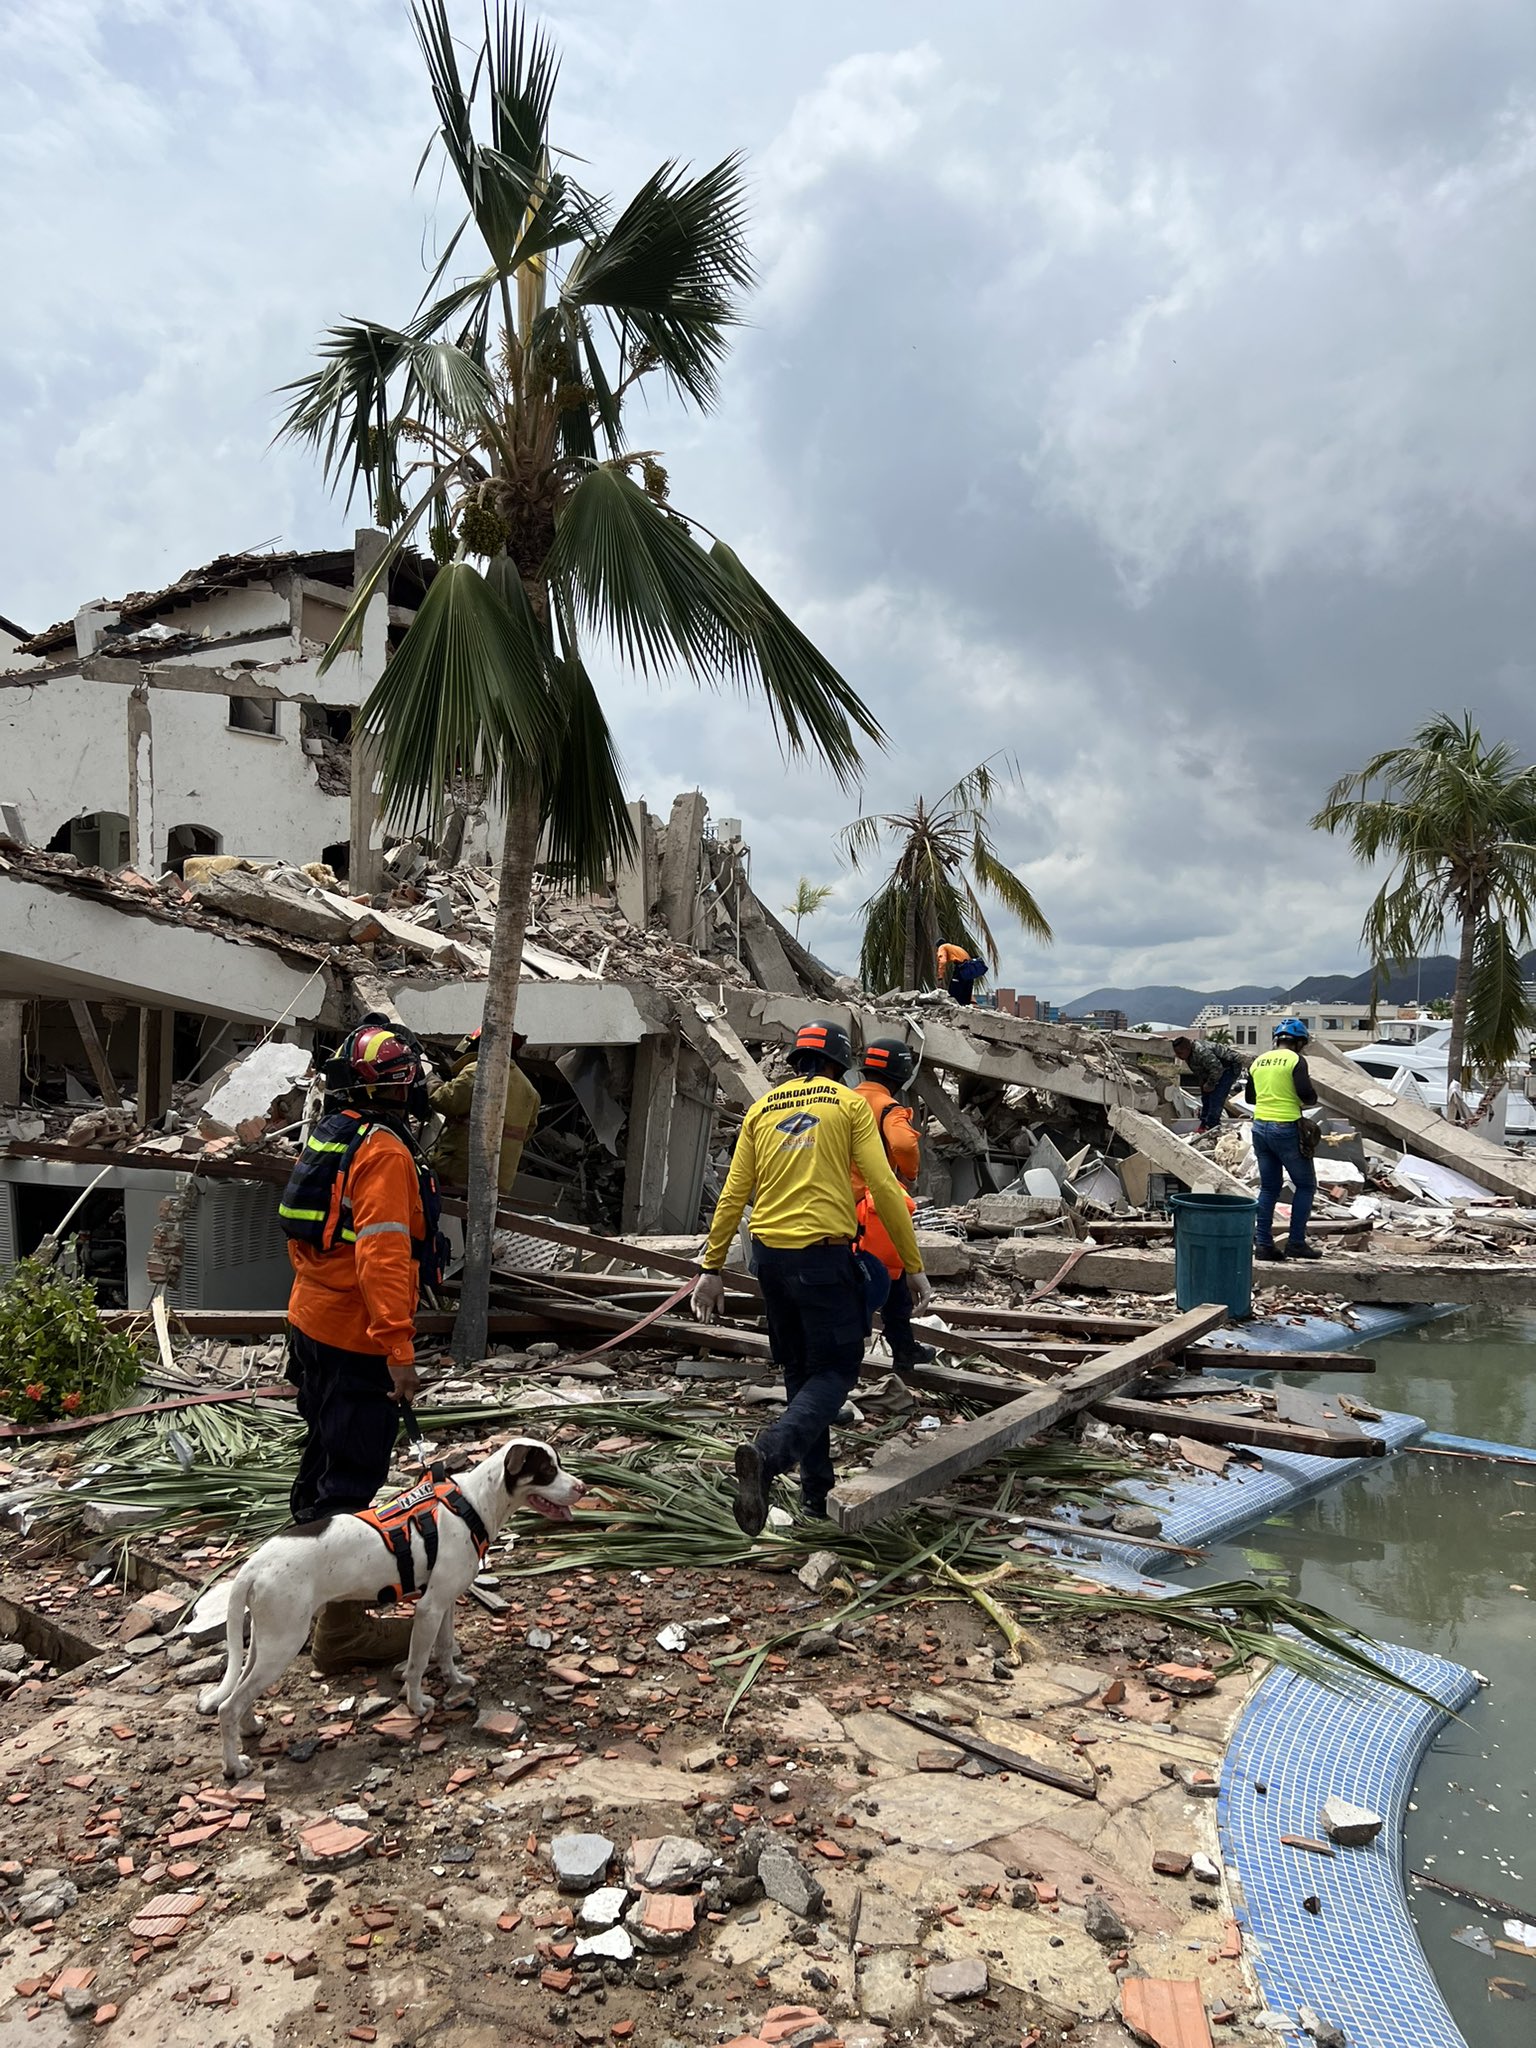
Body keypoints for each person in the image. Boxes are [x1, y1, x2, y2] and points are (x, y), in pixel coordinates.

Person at [690, 1019, 934, 1533]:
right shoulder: (847, 1106)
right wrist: (912, 1266)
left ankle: (816, 1495)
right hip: (822, 1260)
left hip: (769, 1262)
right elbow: (887, 1189)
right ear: (841, 1062)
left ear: (793, 1060)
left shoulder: (760, 1109)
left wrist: (710, 1269)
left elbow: (733, 1196)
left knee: (802, 1372)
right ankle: (769, 1453)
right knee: (838, 1372)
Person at [278, 1022, 446, 1669]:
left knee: (319, 1463)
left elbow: (311, 1241)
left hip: (311, 1324)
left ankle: (300, 1605)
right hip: (356, 1340)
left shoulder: (330, 1132)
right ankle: (339, 1634)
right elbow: (383, 1256)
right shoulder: (386, 1152)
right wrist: (398, 1352)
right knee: (349, 1480)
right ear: (403, 1087)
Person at [852, 1037, 935, 1374]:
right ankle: (900, 1348)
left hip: (835, 1204)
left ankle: (902, 1346)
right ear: (900, 1075)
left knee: (857, 1276)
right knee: (892, 1269)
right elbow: (902, 1143)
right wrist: (909, 1172)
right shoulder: (888, 1108)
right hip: (872, 1203)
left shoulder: (845, 1100)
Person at [1244, 1017, 1322, 1262]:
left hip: (1259, 1128)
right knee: (1306, 1185)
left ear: (1277, 1040)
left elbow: (1250, 1098)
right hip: (1286, 1128)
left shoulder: (1259, 1061)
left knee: (1269, 1187)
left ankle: (1264, 1245)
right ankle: (1296, 1242)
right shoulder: (1296, 1060)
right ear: (1299, 1043)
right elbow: (1307, 1096)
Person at [428, 1027, 541, 1194]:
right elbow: (526, 1134)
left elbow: (446, 1102)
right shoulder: (529, 1090)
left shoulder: (478, 1071)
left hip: (458, 1173)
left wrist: (430, 1080)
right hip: (497, 1184)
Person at [1171, 1033, 1243, 1132]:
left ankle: (1212, 1126)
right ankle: (1203, 1123)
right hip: (1210, 1070)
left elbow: (1217, 1068)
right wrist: (1203, 1083)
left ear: (1187, 1048)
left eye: (1180, 1053)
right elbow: (1199, 1071)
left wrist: (1210, 1084)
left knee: (1216, 1096)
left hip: (1228, 1066)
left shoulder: (1202, 1051)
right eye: (1177, 1054)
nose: (1178, 1056)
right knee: (1205, 1097)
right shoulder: (1188, 1055)